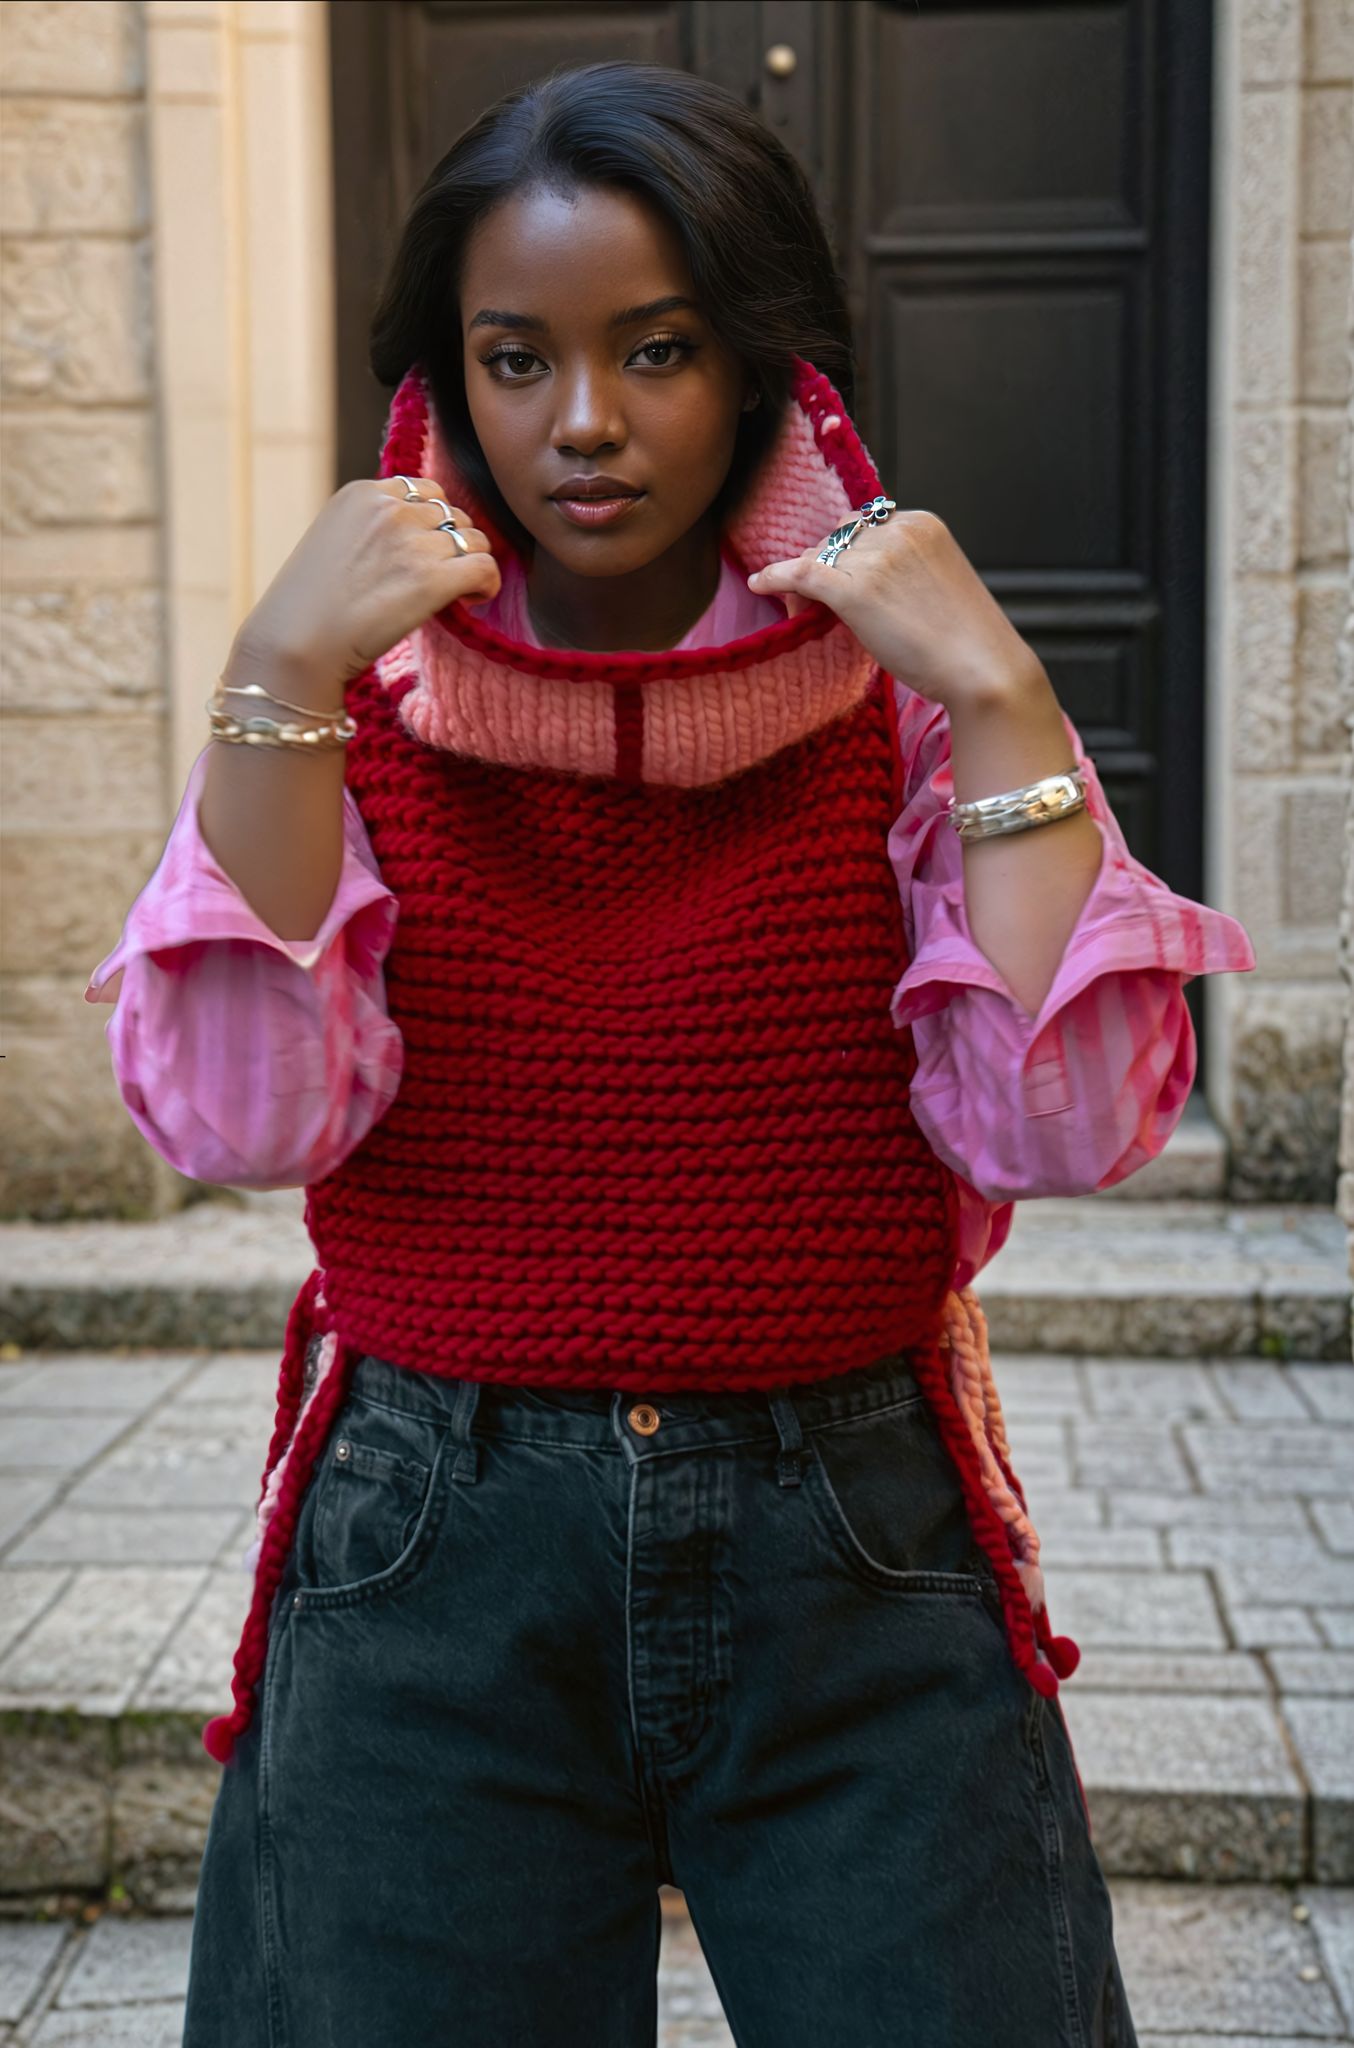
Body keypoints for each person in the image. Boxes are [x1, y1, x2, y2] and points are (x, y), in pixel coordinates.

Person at [87, 60, 1254, 2048]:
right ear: (447, 380)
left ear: (760, 369)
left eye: (658, 350)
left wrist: (997, 688)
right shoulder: (349, 700)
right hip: (428, 1544)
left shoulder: (893, 711)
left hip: (853, 1534)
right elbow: (245, 1110)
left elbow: (1055, 1121)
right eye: (515, 358)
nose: (586, 422)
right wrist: (273, 678)